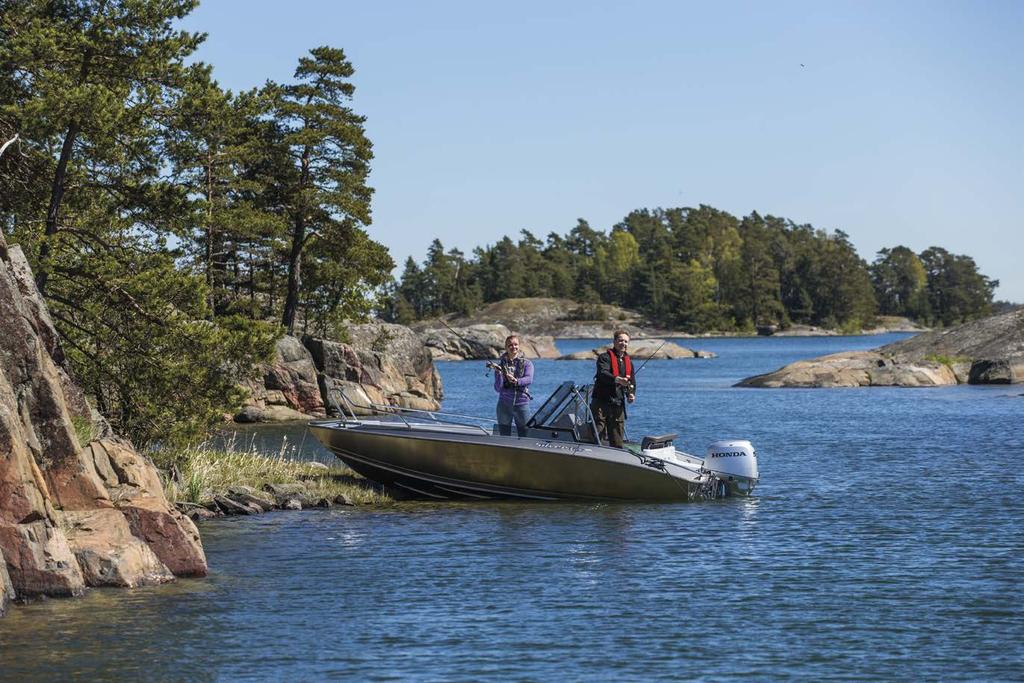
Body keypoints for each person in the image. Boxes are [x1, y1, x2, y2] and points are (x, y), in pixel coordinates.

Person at [590, 329, 635, 448]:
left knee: (617, 440)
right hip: (601, 402)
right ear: (614, 342)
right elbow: (603, 373)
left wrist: (631, 394)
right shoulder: (604, 358)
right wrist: (618, 379)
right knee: (598, 434)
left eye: (626, 341)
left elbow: (632, 382)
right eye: (620, 340)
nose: (623, 344)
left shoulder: (629, 362)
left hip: (618, 404)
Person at [493, 334, 534, 436]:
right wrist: (499, 375)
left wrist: (516, 381)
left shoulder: (527, 363)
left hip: (522, 404)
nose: (513, 347)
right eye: (510, 345)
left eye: (516, 344)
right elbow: (498, 388)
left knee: (525, 435)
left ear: (519, 346)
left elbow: (529, 379)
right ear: (506, 347)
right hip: (504, 405)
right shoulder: (500, 366)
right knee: (504, 436)